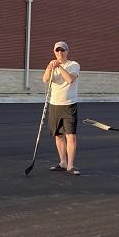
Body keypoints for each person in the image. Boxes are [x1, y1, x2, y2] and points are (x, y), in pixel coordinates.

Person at [44, 41, 81, 175]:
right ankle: (63, 163)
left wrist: (59, 66)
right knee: (58, 135)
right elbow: (45, 79)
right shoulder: (52, 65)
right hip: (55, 104)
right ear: (54, 52)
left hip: (69, 105)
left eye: (63, 50)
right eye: (57, 50)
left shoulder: (73, 65)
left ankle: (70, 166)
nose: (60, 52)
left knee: (70, 135)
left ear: (67, 51)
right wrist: (50, 68)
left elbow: (70, 79)